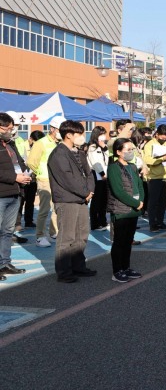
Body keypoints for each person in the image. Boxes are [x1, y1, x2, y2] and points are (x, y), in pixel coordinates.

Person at [47, 119, 95, 283]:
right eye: (79, 133)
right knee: (66, 237)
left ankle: (78, 266)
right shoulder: (58, 154)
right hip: (67, 200)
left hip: (81, 199)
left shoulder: (79, 152)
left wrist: (90, 190)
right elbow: (67, 179)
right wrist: (84, 192)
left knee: (82, 234)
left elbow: (89, 173)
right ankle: (64, 271)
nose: (83, 136)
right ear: (68, 135)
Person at [106, 138, 145, 283]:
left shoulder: (133, 166)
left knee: (128, 240)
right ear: (118, 152)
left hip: (134, 209)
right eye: (127, 150)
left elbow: (140, 185)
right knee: (119, 241)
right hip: (121, 210)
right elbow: (118, 191)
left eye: (131, 149)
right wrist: (135, 202)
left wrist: (140, 200)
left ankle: (126, 267)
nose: (130, 152)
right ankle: (117, 270)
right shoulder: (113, 168)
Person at [0, 112, 31, 279]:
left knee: (7, 231)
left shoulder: (10, 144)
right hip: (2, 194)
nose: (11, 131)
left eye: (12, 128)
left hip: (15, 192)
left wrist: (26, 174)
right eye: (8, 128)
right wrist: (15, 177)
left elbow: (20, 163)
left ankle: (4, 263)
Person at [27, 115, 65, 247]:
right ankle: (40, 236)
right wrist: (40, 173)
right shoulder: (41, 143)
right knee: (44, 209)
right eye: (60, 129)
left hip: (58, 180)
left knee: (56, 208)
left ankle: (54, 232)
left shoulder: (60, 144)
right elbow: (31, 162)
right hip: (45, 179)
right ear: (53, 129)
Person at [143, 124, 166, 232]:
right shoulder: (149, 144)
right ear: (156, 134)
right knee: (153, 201)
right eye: (162, 137)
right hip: (154, 177)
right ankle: (153, 224)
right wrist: (162, 158)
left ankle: (160, 221)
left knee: (164, 201)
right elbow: (147, 160)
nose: (164, 139)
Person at [85, 126, 109, 231]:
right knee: (96, 200)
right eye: (101, 134)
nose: (103, 136)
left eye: (104, 133)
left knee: (104, 200)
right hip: (97, 175)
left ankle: (103, 221)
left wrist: (105, 148)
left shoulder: (103, 146)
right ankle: (95, 224)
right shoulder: (92, 147)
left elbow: (107, 159)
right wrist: (102, 174)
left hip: (105, 175)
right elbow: (95, 163)